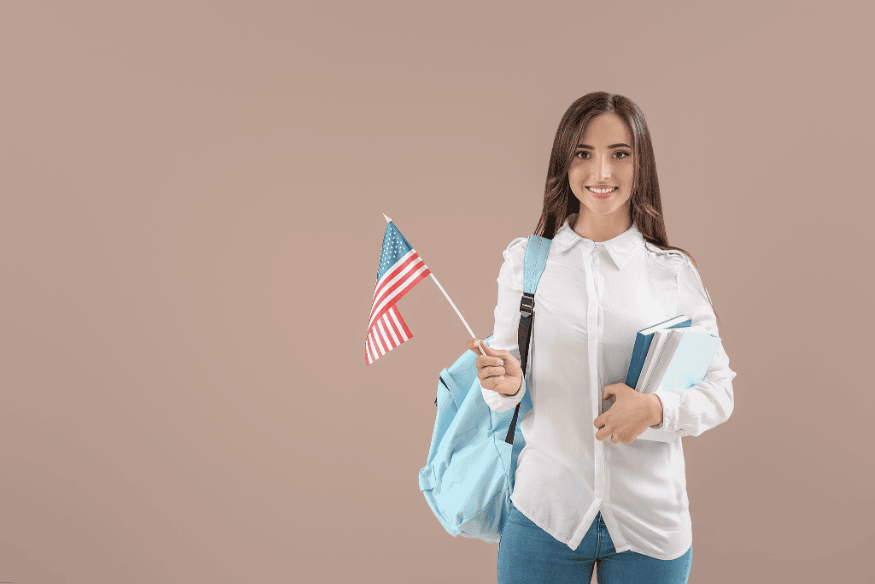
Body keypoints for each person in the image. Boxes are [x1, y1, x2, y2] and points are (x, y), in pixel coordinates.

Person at [466, 92, 737, 584]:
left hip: (650, 525)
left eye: (620, 153)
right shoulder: (527, 264)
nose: (602, 173)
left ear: (641, 163)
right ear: (564, 162)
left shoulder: (672, 275)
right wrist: (503, 386)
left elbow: (719, 391)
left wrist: (654, 410)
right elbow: (505, 390)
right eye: (584, 153)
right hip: (545, 512)